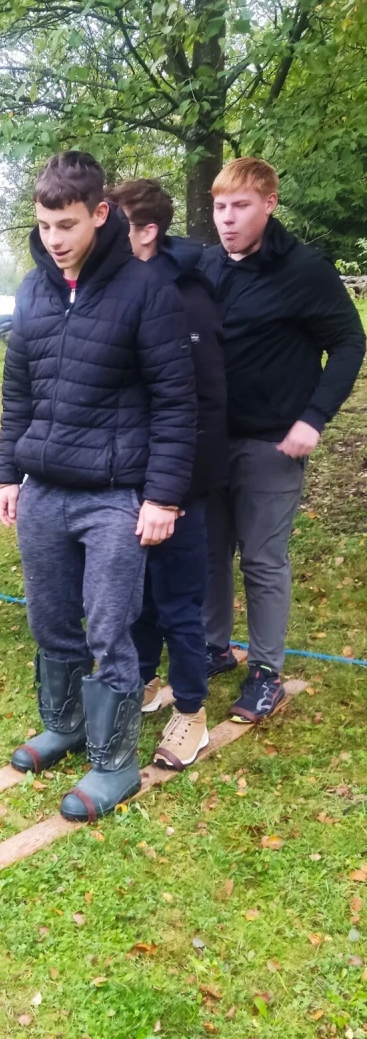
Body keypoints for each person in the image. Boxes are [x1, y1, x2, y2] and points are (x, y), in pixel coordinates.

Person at [0, 151, 197, 822]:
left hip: (116, 493)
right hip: (44, 490)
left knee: (111, 628)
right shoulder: (32, 289)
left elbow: (176, 401)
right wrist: (6, 472)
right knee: (51, 619)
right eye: (46, 224)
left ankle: (115, 763)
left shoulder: (146, 291)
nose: (55, 239)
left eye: (68, 224)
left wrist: (163, 496)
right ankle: (65, 723)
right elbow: (19, 389)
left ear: (100, 214)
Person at [199, 157, 366, 721]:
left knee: (263, 560)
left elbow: (349, 343)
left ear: (269, 204)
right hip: (211, 441)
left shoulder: (304, 271)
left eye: (240, 206)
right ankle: (213, 648)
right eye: (220, 207)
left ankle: (266, 671)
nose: (227, 218)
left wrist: (314, 417)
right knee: (211, 553)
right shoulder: (207, 266)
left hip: (273, 443)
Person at [109, 178, 227, 770]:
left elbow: (202, 403)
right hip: (132, 477)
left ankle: (192, 712)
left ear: (147, 231)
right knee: (141, 597)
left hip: (179, 482)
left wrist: (177, 492)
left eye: (116, 225)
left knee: (180, 601)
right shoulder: (122, 288)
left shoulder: (186, 297)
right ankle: (150, 681)